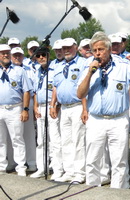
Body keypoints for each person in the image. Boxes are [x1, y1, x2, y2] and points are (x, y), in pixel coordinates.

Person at [77, 31, 130, 188]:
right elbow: (80, 94)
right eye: (95, 50)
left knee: (119, 161)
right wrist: (90, 73)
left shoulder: (123, 65)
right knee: (92, 160)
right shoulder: (88, 66)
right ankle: (91, 192)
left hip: (118, 120)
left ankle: (116, 193)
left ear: (109, 49)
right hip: (96, 120)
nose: (98, 53)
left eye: (101, 49)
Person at [50, 37, 87, 183]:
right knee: (66, 141)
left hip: (77, 105)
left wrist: (85, 108)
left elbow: (85, 87)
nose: (66, 50)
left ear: (76, 47)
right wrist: (53, 105)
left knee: (78, 140)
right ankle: (69, 171)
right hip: (63, 108)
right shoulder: (58, 66)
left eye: (69, 47)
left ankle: (80, 173)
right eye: (64, 48)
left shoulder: (83, 63)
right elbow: (55, 87)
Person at [30, 47, 64, 180]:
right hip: (40, 108)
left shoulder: (55, 69)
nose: (41, 58)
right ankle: (41, 168)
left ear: (48, 55)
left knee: (55, 140)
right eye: (38, 56)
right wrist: (35, 107)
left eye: (43, 55)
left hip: (52, 106)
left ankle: (58, 169)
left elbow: (57, 89)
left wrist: (55, 106)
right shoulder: (37, 71)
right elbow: (35, 91)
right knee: (41, 141)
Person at [0, 44, 33, 176]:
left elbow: (26, 91)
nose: (5, 55)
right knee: (1, 140)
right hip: (0, 108)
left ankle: (20, 167)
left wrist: (25, 109)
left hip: (14, 108)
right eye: (2, 53)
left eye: (7, 52)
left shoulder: (19, 71)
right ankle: (2, 166)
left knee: (17, 139)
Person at [10, 47, 37, 172]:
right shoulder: (7, 69)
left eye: (19, 55)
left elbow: (32, 90)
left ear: (23, 56)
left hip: (28, 103)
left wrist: (29, 108)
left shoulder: (29, 69)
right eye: (14, 55)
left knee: (29, 135)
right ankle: (12, 162)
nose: (17, 57)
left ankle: (31, 162)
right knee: (12, 137)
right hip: (13, 105)